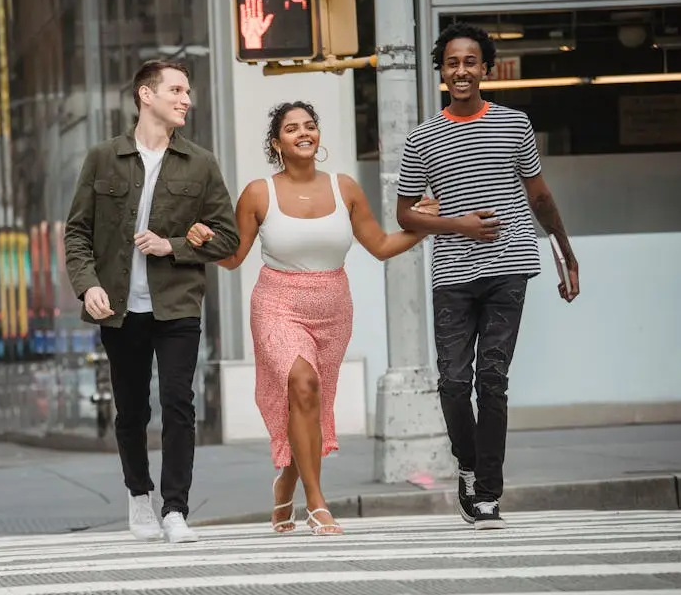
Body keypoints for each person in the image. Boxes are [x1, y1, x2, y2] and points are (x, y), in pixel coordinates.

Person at [187, 102, 437, 535]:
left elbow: (380, 246)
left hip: (333, 308)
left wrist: (424, 226)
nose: (303, 133)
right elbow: (233, 258)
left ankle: (286, 482)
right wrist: (204, 241)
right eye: (291, 128)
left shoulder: (345, 188)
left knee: (310, 404)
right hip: (277, 303)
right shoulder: (258, 193)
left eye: (309, 125)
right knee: (303, 383)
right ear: (276, 143)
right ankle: (316, 503)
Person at [396, 23, 580, 530]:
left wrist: (564, 250)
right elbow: (405, 215)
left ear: (486, 69)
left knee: (492, 380)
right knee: (454, 382)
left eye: (470, 62)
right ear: (441, 70)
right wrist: (459, 225)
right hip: (453, 272)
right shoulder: (421, 138)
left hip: (509, 266)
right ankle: (469, 465)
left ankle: (488, 495)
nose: (461, 71)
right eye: (452, 62)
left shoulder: (514, 124)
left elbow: (539, 195)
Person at [64, 60, 239, 543]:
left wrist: (173, 245)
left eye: (188, 91)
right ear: (146, 94)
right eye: (177, 90)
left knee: (178, 402)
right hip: (119, 308)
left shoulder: (200, 163)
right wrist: (88, 285)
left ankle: (176, 508)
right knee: (132, 409)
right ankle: (139, 494)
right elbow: (77, 232)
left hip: (176, 303)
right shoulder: (103, 158)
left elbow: (228, 238)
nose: (187, 100)